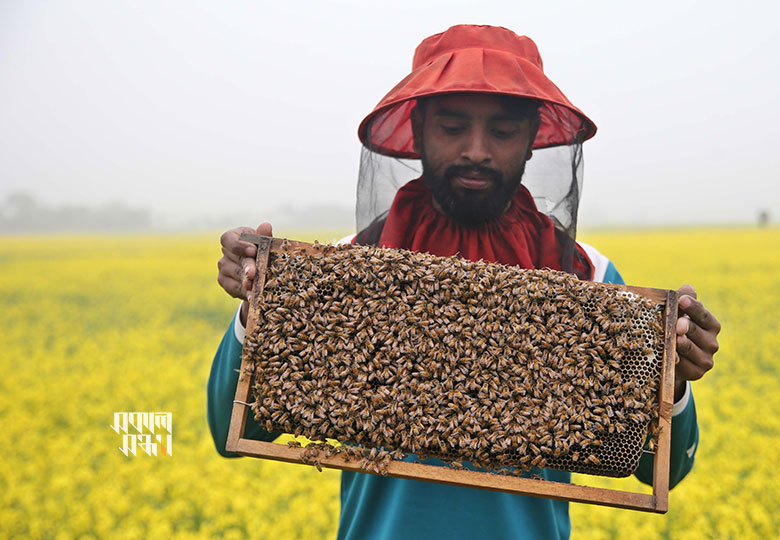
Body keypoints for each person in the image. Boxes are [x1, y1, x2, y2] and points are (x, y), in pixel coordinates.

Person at [208, 24, 720, 540]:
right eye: (453, 127)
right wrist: (258, 308)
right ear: (419, 130)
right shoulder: (343, 266)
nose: (477, 150)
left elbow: (665, 468)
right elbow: (232, 431)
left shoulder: (594, 279)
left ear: (531, 141)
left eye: (501, 132)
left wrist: (671, 383)